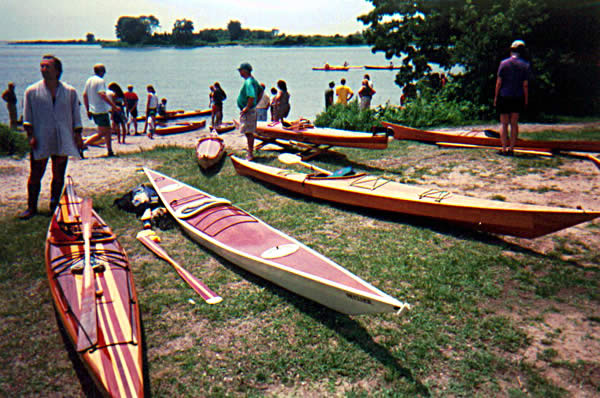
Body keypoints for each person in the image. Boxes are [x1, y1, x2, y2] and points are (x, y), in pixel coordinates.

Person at [18, 54, 83, 219]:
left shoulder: (69, 92)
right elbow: (27, 117)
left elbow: (76, 115)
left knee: (59, 174)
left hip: (62, 138)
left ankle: (54, 205)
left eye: (47, 66)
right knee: (36, 174)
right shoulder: (32, 91)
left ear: (57, 71)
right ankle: (31, 207)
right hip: (41, 137)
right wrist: (30, 136)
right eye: (42, 66)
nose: (44, 69)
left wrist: (77, 135)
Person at [494, 39, 531, 155]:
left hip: (504, 96)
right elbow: (525, 85)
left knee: (504, 123)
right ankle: (512, 148)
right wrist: (526, 99)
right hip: (518, 96)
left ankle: (504, 148)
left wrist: (496, 96)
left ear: (511, 50)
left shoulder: (503, 64)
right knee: (514, 123)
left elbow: (499, 82)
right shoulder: (525, 65)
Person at [83, 63, 118, 157]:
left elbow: (85, 95)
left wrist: (87, 109)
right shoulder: (100, 81)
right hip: (101, 110)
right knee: (102, 133)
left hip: (93, 110)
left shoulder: (89, 80)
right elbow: (102, 95)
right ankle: (82, 145)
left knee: (107, 131)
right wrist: (114, 106)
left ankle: (110, 150)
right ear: (102, 71)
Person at [236, 62, 262, 160]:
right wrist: (256, 103)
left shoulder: (249, 82)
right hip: (250, 109)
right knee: (248, 131)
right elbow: (261, 91)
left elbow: (251, 96)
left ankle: (250, 153)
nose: (239, 72)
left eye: (240, 70)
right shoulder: (253, 81)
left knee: (248, 132)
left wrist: (247, 107)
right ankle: (250, 151)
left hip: (248, 111)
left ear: (245, 71)